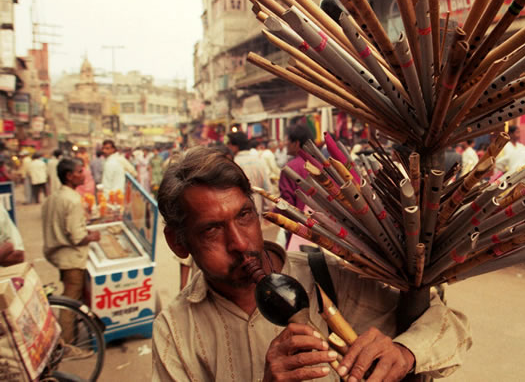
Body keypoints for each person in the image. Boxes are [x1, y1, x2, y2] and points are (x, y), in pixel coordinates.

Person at [152, 147, 471, 381]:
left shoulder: (324, 275)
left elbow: (450, 326)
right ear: (178, 242)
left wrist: (405, 351)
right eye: (211, 229)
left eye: (244, 215)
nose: (239, 243)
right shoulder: (176, 331)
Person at [42, 158, 101, 342]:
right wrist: (92, 236)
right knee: (72, 299)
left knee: (72, 293)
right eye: (79, 171)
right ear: (69, 176)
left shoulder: (55, 196)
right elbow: (77, 237)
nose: (83, 174)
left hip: (58, 255)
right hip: (71, 259)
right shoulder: (73, 200)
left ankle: (72, 334)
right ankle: (67, 342)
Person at [227, 131, 272, 215]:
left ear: (236, 146)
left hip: (240, 205)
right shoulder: (259, 160)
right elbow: (267, 186)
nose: (228, 147)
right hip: (257, 202)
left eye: (229, 144)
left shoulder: (234, 163)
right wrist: (268, 208)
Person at [278, 125, 315, 213]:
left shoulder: (290, 169)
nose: (285, 143)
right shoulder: (321, 162)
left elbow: (287, 203)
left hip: (301, 221)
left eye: (287, 140)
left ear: (296, 143)